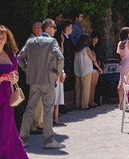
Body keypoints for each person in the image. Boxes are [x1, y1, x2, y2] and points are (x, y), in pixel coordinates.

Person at [18, 18, 65, 149]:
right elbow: (60, 58)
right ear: (47, 29)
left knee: (29, 108)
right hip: (48, 81)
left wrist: (28, 70)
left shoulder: (30, 42)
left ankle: (23, 139)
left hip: (34, 80)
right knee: (48, 110)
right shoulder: (52, 41)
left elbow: (19, 58)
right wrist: (57, 73)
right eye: (53, 28)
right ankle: (48, 141)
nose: (55, 30)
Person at [0, 25, 28, 159]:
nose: (0, 39)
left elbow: (16, 73)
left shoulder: (11, 54)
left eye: (3, 36)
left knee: (7, 131)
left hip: (7, 97)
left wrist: (14, 78)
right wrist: (3, 77)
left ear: (7, 39)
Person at [73, 35, 98, 110]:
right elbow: (93, 59)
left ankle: (78, 105)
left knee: (78, 88)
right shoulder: (87, 49)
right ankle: (84, 105)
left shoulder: (76, 50)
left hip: (77, 70)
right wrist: (94, 54)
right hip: (86, 70)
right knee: (86, 88)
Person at [60, 21, 75, 101]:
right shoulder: (63, 39)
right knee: (63, 85)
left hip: (69, 64)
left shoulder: (68, 38)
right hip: (65, 64)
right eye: (70, 27)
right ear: (67, 28)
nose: (72, 29)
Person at [88, 33, 103, 107]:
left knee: (95, 86)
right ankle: (91, 101)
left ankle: (94, 100)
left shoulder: (97, 47)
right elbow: (94, 59)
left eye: (96, 38)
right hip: (93, 67)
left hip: (97, 67)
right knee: (92, 86)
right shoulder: (90, 47)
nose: (95, 40)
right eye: (94, 38)